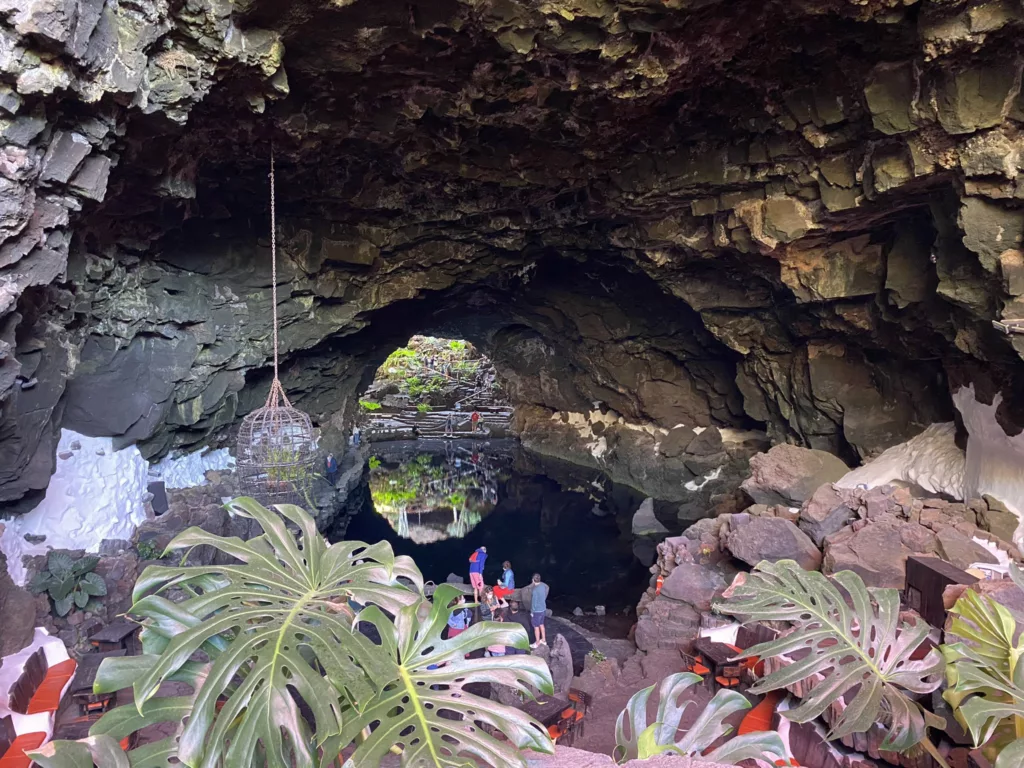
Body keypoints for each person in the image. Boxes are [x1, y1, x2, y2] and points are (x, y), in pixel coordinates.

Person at [529, 573, 549, 648]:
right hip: (543, 609)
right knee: (541, 624)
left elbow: (534, 603)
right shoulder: (543, 586)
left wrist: (532, 612)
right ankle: (543, 640)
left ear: (533, 580)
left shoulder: (535, 590)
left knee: (536, 627)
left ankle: (537, 642)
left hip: (537, 611)